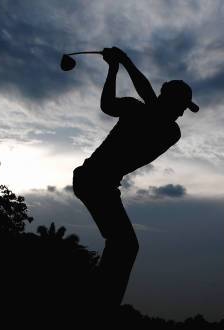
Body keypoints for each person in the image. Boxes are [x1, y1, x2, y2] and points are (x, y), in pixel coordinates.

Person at [72, 46, 199, 307]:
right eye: (181, 106)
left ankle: (97, 298)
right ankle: (100, 303)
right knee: (125, 246)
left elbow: (153, 107)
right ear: (169, 99)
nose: (182, 113)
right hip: (92, 179)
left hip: (99, 184)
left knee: (124, 245)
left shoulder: (170, 131)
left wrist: (123, 63)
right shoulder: (137, 108)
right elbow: (107, 105)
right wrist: (114, 69)